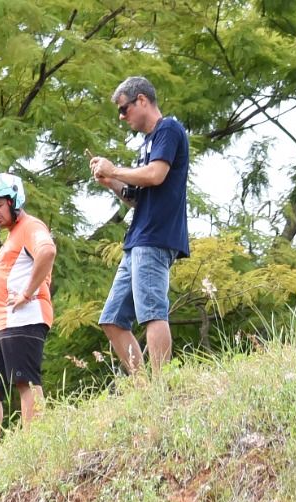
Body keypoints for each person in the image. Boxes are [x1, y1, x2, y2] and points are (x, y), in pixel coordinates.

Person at [89, 76, 190, 376]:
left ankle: (160, 388)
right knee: (112, 319)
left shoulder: (168, 129)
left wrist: (115, 168)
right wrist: (110, 182)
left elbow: (157, 175)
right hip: (138, 238)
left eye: (124, 109)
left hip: (156, 236)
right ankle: (144, 387)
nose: (122, 117)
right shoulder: (147, 143)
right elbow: (135, 198)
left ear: (142, 100)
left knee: (152, 312)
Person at [0, 173, 55, 444]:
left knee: (25, 382)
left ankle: (35, 442)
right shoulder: (11, 236)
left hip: (23, 318)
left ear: (13, 200)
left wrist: (27, 292)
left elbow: (47, 251)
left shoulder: (30, 226)